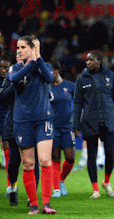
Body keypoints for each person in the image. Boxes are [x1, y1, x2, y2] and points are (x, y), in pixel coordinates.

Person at [8, 35, 56, 215]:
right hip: (23, 120)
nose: (18, 51)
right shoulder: (15, 68)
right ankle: (34, 204)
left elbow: (50, 78)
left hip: (43, 119)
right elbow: (14, 79)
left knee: (44, 160)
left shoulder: (45, 66)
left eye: (22, 47)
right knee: (28, 164)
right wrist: (33, 62)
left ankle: (46, 204)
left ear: (32, 49)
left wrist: (38, 57)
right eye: (18, 48)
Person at [73, 50, 114, 199]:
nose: (87, 62)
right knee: (91, 156)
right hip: (90, 121)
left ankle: (106, 182)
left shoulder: (110, 76)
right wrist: (76, 125)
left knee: (110, 155)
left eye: (90, 60)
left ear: (99, 61)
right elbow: (77, 103)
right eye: (86, 60)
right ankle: (95, 190)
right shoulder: (82, 78)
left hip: (109, 120)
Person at [50, 61, 76, 198]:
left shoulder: (70, 86)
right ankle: (56, 189)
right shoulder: (46, 87)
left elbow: (78, 105)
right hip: (52, 127)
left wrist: (77, 124)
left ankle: (61, 180)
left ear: (56, 71)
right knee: (55, 158)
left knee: (70, 158)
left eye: (51, 72)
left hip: (67, 127)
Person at [0, 60, 11, 196]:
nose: (3, 70)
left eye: (6, 68)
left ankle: (10, 185)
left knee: (8, 152)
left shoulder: (13, 81)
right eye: (1, 68)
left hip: (6, 119)